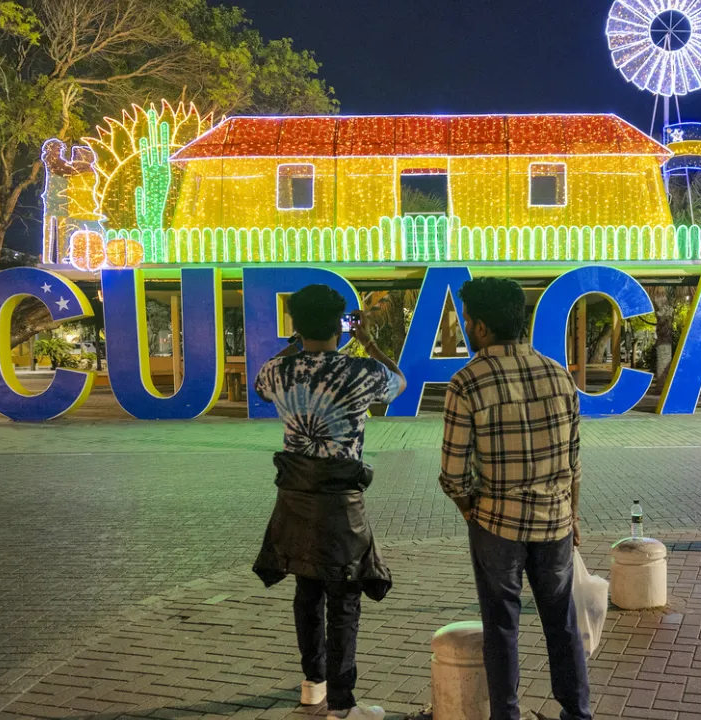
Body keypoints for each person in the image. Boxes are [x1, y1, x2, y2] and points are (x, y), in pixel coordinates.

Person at [439, 277, 593, 720]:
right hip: (556, 523)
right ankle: (577, 713)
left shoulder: (466, 382)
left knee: (501, 628)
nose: (466, 328)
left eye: (467, 321)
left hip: (495, 526)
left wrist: (470, 508)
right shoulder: (559, 375)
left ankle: (506, 715)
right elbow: (573, 460)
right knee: (562, 624)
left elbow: (453, 474)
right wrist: (573, 515)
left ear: (482, 327)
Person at [251, 284, 406, 720]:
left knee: (307, 588)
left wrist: (294, 345)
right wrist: (368, 340)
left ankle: (312, 684)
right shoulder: (359, 371)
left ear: (297, 325)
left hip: (295, 497)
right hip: (342, 500)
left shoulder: (279, 372)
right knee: (345, 596)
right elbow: (399, 380)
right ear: (340, 325)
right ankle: (343, 702)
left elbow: (263, 382)